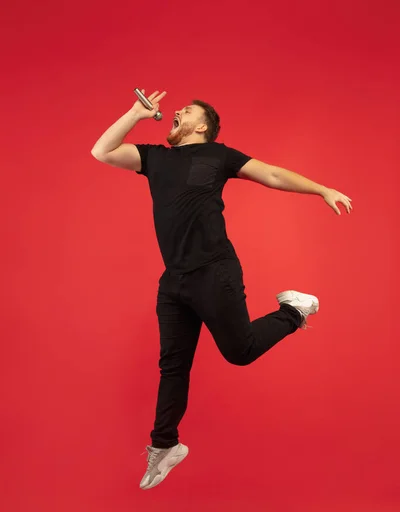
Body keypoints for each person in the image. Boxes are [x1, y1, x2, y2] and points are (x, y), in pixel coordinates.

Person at [91, 89, 353, 491]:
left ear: (201, 127)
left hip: (215, 271)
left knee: (240, 352)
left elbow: (271, 173)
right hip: (174, 281)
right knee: (173, 367)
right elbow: (102, 151)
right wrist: (134, 114)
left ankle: (294, 311)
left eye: (187, 111)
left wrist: (321, 189)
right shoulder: (153, 158)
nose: (176, 111)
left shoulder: (219, 155)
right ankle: (165, 445)